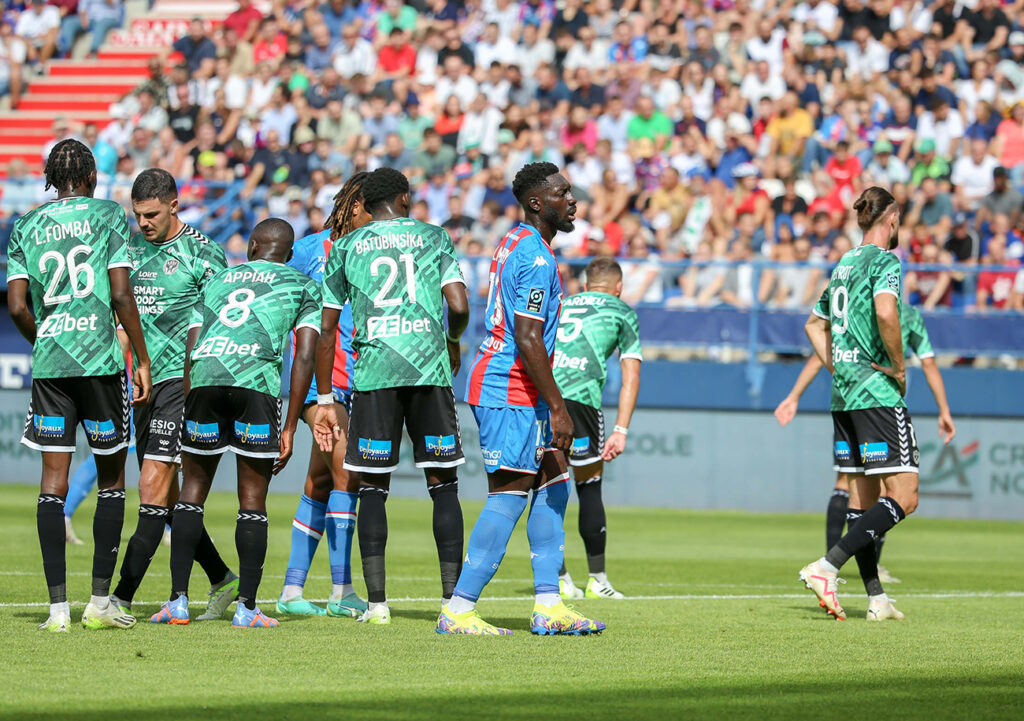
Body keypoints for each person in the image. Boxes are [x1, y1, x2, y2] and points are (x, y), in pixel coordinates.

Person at [438, 161, 605, 636]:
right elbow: (529, 338)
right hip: (509, 387)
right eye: (563, 193)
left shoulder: (518, 240)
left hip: (517, 385)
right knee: (509, 493)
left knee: (554, 481)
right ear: (537, 202)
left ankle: (548, 604)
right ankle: (459, 609)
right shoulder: (534, 255)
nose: (572, 200)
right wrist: (559, 408)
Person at [312, 167, 470, 626]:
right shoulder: (434, 237)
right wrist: (452, 340)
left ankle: (377, 605)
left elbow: (326, 330)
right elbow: (458, 306)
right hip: (428, 369)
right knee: (443, 486)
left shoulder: (344, 246)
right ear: (403, 199)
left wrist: (325, 397)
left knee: (372, 489)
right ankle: (451, 602)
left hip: (375, 372)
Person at [6, 139, 152, 632]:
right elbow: (120, 293)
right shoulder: (108, 214)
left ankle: (56, 611)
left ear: (52, 177)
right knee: (112, 480)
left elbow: (17, 307)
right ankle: (98, 603)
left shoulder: (25, 224)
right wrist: (143, 357)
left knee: (53, 482)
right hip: (101, 363)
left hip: (52, 366)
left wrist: (44, 339)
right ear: (89, 174)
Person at [150, 218, 321, 629]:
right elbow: (304, 357)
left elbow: (191, 347)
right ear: (289, 252)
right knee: (252, 499)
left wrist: (190, 400)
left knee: (191, 492)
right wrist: (292, 426)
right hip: (254, 386)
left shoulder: (219, 279)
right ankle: (246, 608)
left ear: (252, 246)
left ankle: (177, 602)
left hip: (206, 378)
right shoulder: (302, 285)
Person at [105, 169, 240, 619]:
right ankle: (223, 579)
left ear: (174, 205)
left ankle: (118, 598)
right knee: (168, 501)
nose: (142, 223)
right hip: (144, 383)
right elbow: (125, 319)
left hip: (186, 383)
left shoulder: (203, 255)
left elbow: (223, 323)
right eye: (137, 215)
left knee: (150, 487)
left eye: (151, 214)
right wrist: (127, 369)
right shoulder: (128, 250)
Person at [799, 187, 923, 622]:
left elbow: (815, 325)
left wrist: (839, 367)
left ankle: (876, 599)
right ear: (891, 219)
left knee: (863, 503)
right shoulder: (886, 261)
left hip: (844, 398)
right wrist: (898, 367)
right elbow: (887, 314)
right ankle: (826, 566)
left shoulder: (844, 264)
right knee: (905, 498)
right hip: (876, 395)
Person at [776, 302, 956, 585]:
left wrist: (794, 395)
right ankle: (833, 565)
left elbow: (818, 348)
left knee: (848, 486)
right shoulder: (906, 314)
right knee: (890, 492)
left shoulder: (850, 305)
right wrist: (943, 408)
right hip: (877, 402)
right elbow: (929, 361)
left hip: (844, 402)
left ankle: (856, 581)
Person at [276, 173, 372, 619]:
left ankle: (293, 591)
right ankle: (341, 590)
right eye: (374, 209)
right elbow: (276, 296)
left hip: (355, 379)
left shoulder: (369, 251)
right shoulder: (310, 250)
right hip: (322, 385)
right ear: (355, 206)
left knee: (318, 482)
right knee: (346, 476)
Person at [553, 257, 642, 601]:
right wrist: (621, 428)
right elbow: (631, 375)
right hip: (581, 400)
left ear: (586, 285)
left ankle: (558, 577)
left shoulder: (563, 303)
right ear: (618, 287)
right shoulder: (621, 310)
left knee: (548, 486)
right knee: (589, 486)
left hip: (545, 396)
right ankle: (597, 579)